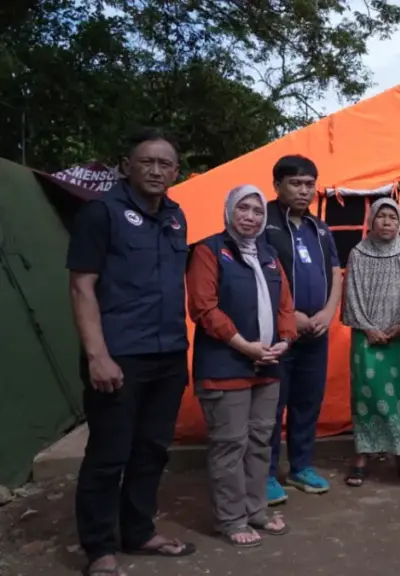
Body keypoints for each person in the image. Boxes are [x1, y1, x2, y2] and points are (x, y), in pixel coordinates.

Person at [67, 128, 196, 576]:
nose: (157, 170)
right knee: (108, 455)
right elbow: (82, 287)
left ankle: (138, 531)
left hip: (168, 355)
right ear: (127, 165)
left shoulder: (177, 217)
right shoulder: (101, 214)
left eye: (166, 164)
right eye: (148, 161)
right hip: (119, 356)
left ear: (176, 172)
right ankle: (100, 548)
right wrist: (96, 355)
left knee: (152, 451)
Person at [187, 185, 296, 547]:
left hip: (268, 366)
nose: (251, 217)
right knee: (230, 444)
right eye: (243, 209)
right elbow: (204, 307)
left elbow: (285, 305)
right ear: (229, 210)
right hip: (225, 365)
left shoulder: (268, 254)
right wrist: (244, 346)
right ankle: (231, 519)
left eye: (258, 211)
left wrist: (285, 339)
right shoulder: (209, 250)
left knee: (260, 441)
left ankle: (257, 510)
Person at [263, 155, 343, 504]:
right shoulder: (263, 222)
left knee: (307, 401)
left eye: (310, 183)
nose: (304, 190)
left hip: (316, 333)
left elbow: (337, 273)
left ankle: (300, 467)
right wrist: (288, 315)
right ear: (277, 185)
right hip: (278, 334)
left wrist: (328, 312)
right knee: (270, 404)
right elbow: (256, 274)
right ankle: (264, 473)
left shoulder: (320, 227)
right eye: (295, 183)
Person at [342, 198, 400, 487]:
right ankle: (363, 454)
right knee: (367, 396)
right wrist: (368, 328)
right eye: (381, 216)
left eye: (393, 217)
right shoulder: (358, 253)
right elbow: (352, 294)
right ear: (371, 221)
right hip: (367, 339)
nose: (387, 222)